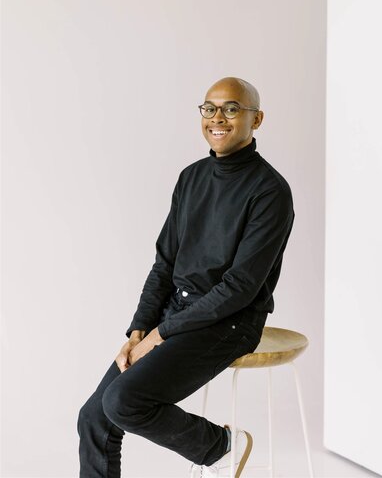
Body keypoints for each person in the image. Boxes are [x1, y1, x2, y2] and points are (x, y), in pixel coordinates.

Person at [77, 76, 295, 478]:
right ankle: (216, 445)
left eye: (232, 108)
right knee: (93, 417)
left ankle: (222, 444)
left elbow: (239, 287)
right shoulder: (191, 177)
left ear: (256, 119)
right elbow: (164, 263)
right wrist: (140, 329)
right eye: (209, 108)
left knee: (123, 402)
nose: (218, 118)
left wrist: (162, 334)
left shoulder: (270, 191)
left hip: (231, 320)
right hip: (178, 311)